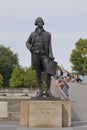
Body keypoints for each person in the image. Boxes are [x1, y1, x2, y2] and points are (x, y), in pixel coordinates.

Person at [26, 17, 55, 98]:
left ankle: (48, 91)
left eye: (41, 21)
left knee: (49, 71)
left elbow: (49, 46)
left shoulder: (48, 34)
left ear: (43, 23)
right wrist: (30, 49)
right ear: (36, 23)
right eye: (38, 21)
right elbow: (27, 42)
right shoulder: (32, 34)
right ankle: (40, 91)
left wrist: (51, 55)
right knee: (38, 73)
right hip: (35, 55)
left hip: (44, 55)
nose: (40, 22)